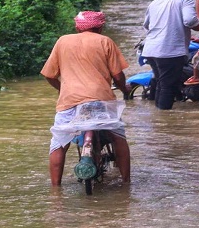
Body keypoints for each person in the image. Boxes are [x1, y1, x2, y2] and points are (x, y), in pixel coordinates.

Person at [41, 11, 132, 186]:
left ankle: (55, 189)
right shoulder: (105, 41)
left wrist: (63, 90)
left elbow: (49, 75)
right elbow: (118, 76)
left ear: (77, 26)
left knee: (59, 142)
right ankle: (126, 183)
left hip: (70, 101)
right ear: (100, 27)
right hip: (101, 101)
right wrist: (124, 89)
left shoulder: (63, 41)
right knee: (118, 136)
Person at [142, 0, 199, 110]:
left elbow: (146, 25)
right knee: (167, 85)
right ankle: (164, 119)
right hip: (170, 50)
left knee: (161, 82)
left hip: (150, 49)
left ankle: (158, 117)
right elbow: (189, 21)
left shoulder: (154, 2)